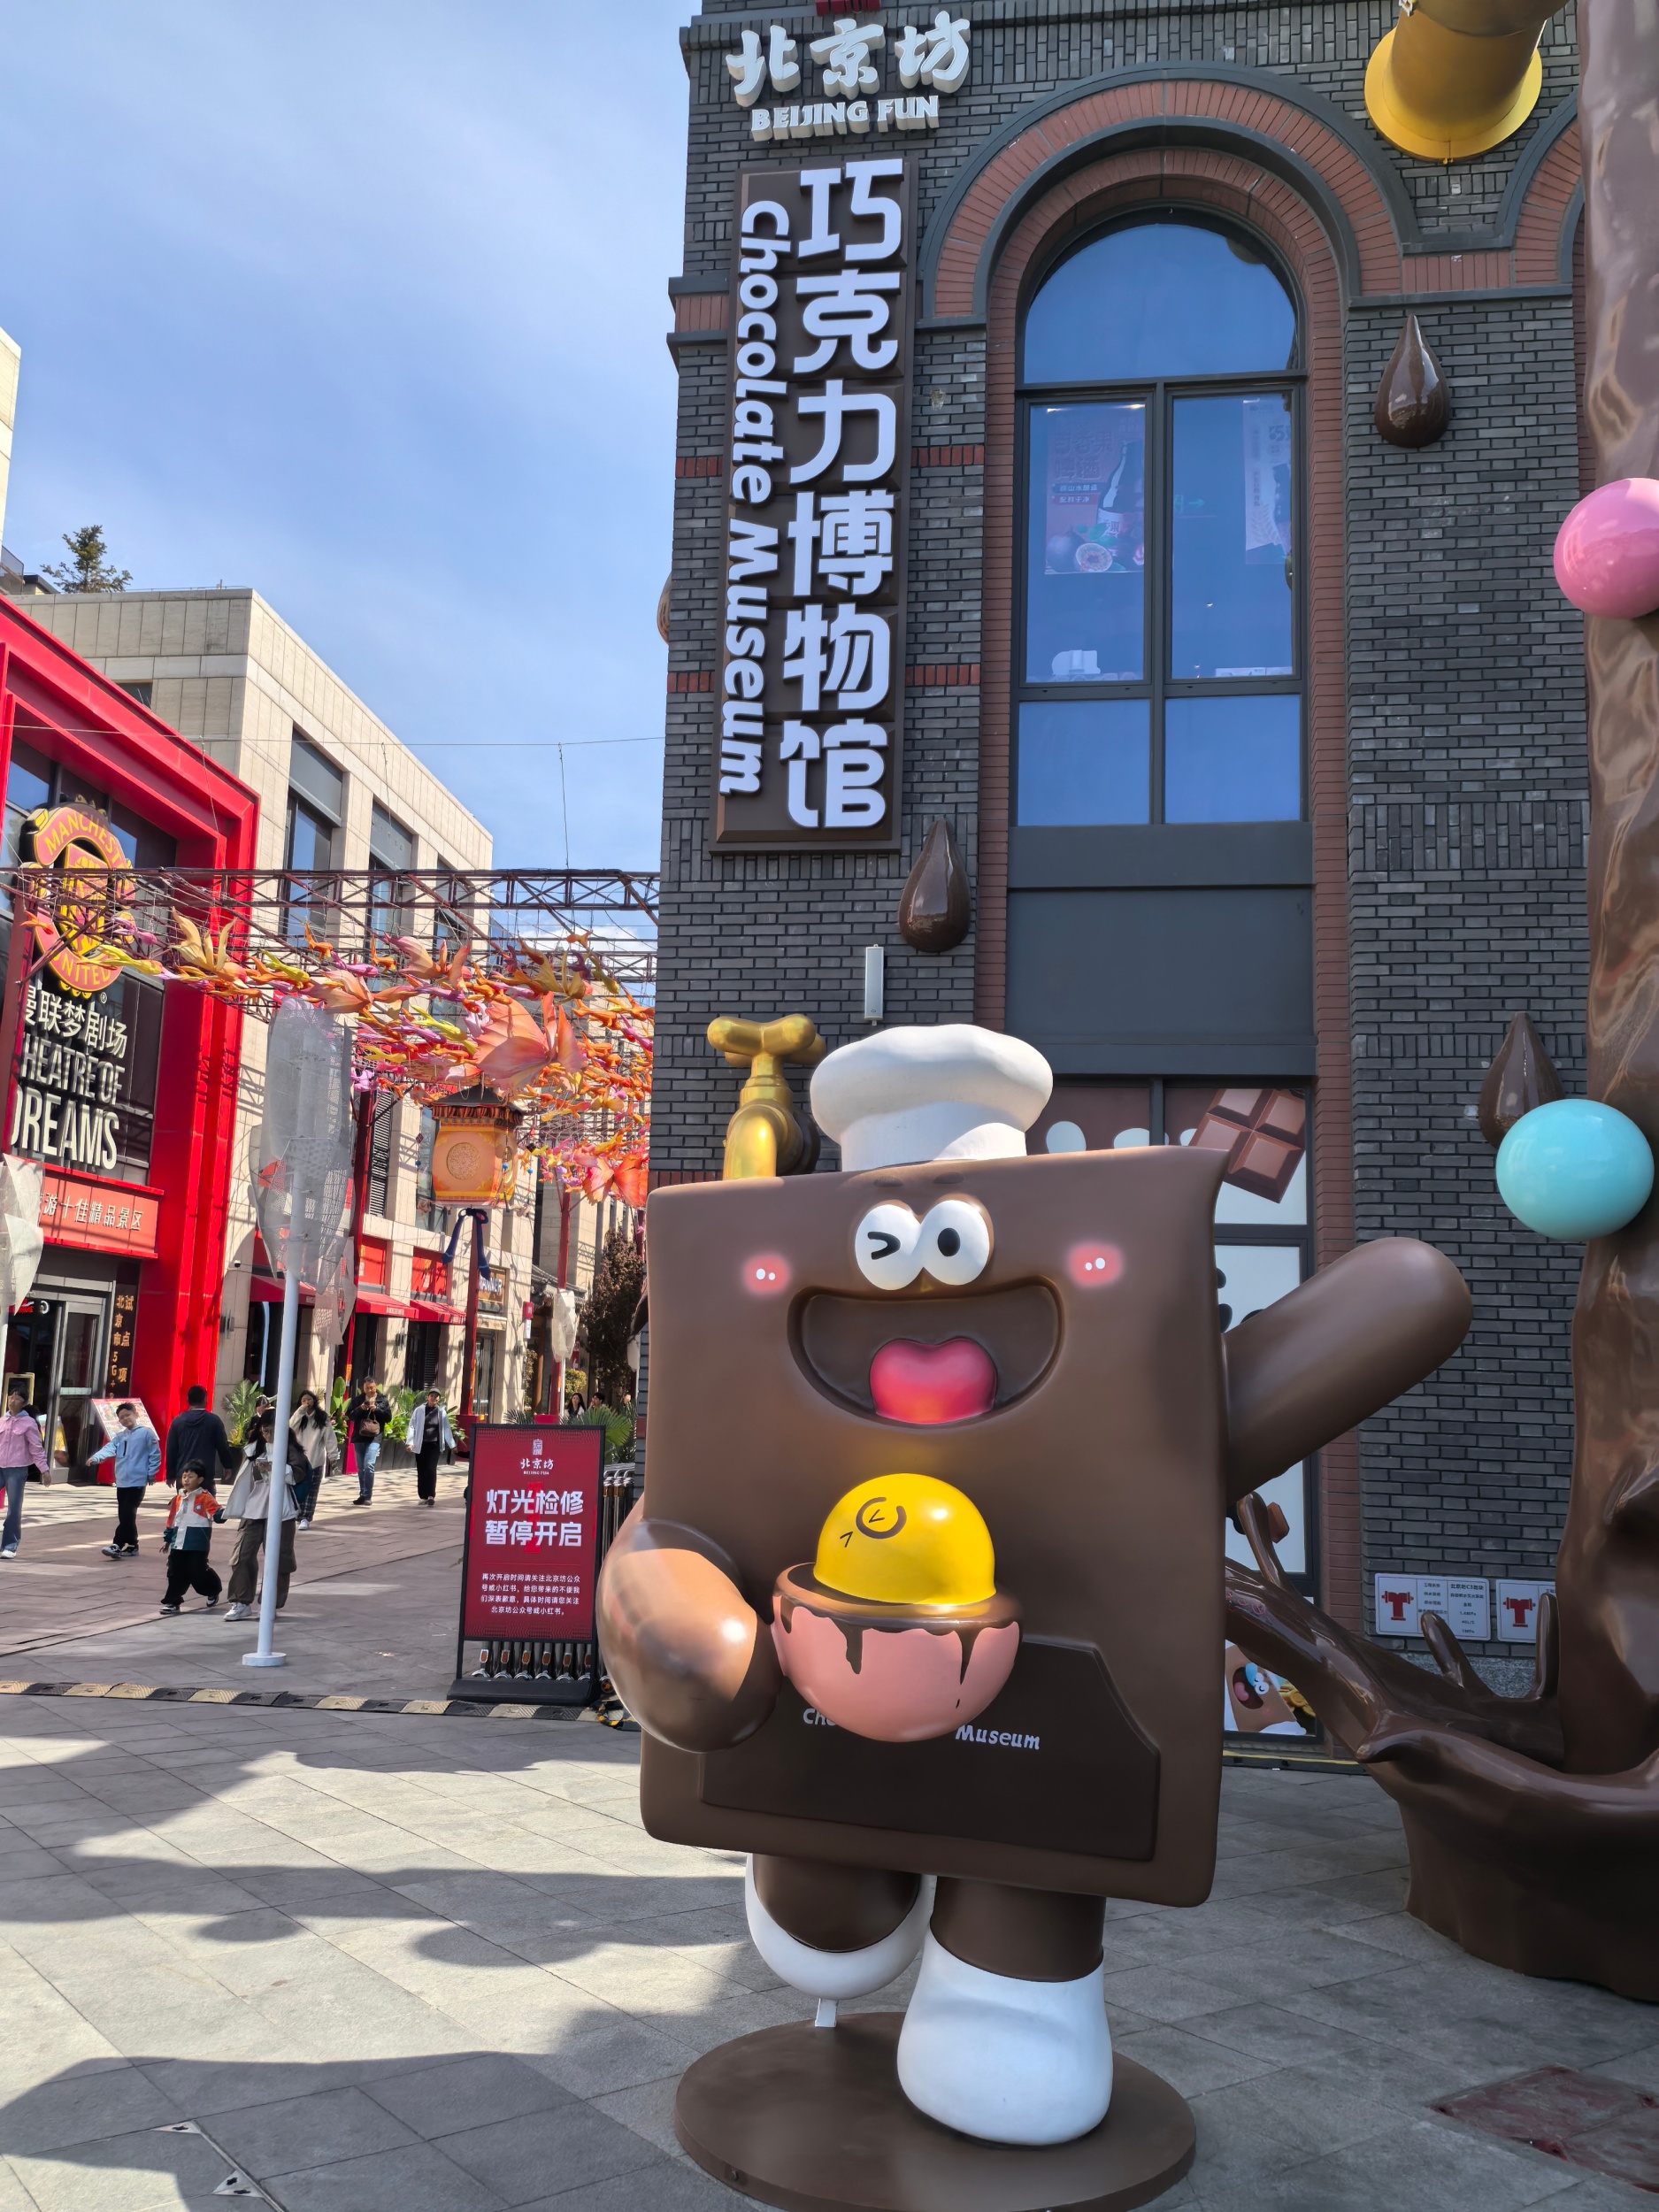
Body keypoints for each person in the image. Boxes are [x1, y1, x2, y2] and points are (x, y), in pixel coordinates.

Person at [221, 1426, 306, 1621]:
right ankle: (240, 1602)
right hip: (253, 1508)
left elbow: (298, 1475)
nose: (268, 1435)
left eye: (272, 1430)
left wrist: (277, 1468)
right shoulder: (253, 1449)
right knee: (242, 1554)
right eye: (265, 1431)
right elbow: (244, 1480)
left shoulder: (290, 1449)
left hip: (281, 1511)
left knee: (279, 1558)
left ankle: (271, 1603)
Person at [90, 1403, 162, 1559]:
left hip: (137, 1482)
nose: (125, 1419)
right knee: (126, 1515)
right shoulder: (121, 1437)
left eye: (127, 1415)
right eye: (121, 1417)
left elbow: (155, 1454)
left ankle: (117, 1545)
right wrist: (96, 1458)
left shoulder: (146, 1434)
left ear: (136, 1414)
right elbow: (109, 1448)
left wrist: (151, 1473)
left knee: (127, 1514)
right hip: (122, 1481)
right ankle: (132, 1545)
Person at [159, 1462, 225, 1613]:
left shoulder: (205, 1498)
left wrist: (226, 1513)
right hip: (178, 1543)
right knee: (174, 1572)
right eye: (184, 1476)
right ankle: (172, 1602)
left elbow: (218, 1515)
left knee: (198, 1572)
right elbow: (172, 1520)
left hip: (197, 1545)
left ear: (200, 1480)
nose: (186, 1480)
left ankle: (213, 1589)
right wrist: (168, 1539)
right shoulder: (178, 1499)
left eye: (191, 1476)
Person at [0, 1386, 46, 1560]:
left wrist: (45, 1470)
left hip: (17, 1471)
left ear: (24, 1403)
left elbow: (37, 1448)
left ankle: (10, 1546)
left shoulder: (29, 1423)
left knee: (13, 1509)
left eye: (17, 1398)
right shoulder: (2, 1420)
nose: (12, 1400)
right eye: (11, 1396)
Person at [165, 1386, 237, 1490]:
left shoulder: (177, 1422)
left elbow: (171, 1449)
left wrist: (170, 1474)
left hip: (184, 1475)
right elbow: (222, 1446)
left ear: (188, 1400)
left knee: (185, 1504)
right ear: (205, 1399)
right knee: (207, 1504)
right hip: (205, 1475)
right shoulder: (214, 1421)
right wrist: (228, 1465)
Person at [289, 1391, 338, 1528]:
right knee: (296, 1488)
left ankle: (306, 1517)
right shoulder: (299, 1416)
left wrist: (333, 1456)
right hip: (298, 1460)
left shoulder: (322, 1418)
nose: (307, 1402)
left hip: (315, 1459)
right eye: (304, 1400)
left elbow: (329, 1438)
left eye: (309, 1400)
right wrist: (300, 1411)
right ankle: (296, 1515)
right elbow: (289, 1429)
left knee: (311, 1491)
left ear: (314, 1401)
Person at [344, 1377, 392, 1505]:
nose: (370, 1390)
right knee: (361, 1468)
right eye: (367, 1388)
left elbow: (388, 1418)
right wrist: (361, 1408)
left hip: (374, 1437)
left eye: (372, 1388)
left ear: (376, 1387)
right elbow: (350, 1415)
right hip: (359, 1437)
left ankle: (368, 1495)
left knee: (369, 1465)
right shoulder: (358, 1400)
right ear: (363, 1388)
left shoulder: (382, 1400)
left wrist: (376, 1408)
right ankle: (362, 1494)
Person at [406, 1389, 453, 1508]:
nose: (434, 1398)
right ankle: (423, 1496)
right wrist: (409, 1442)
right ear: (427, 1397)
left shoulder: (441, 1412)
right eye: (432, 1396)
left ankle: (431, 1495)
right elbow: (412, 1426)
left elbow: (446, 1429)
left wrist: (452, 1445)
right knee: (421, 1470)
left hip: (434, 1445)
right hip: (420, 1444)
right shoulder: (419, 1410)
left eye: (436, 1397)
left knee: (431, 1469)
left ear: (439, 1399)